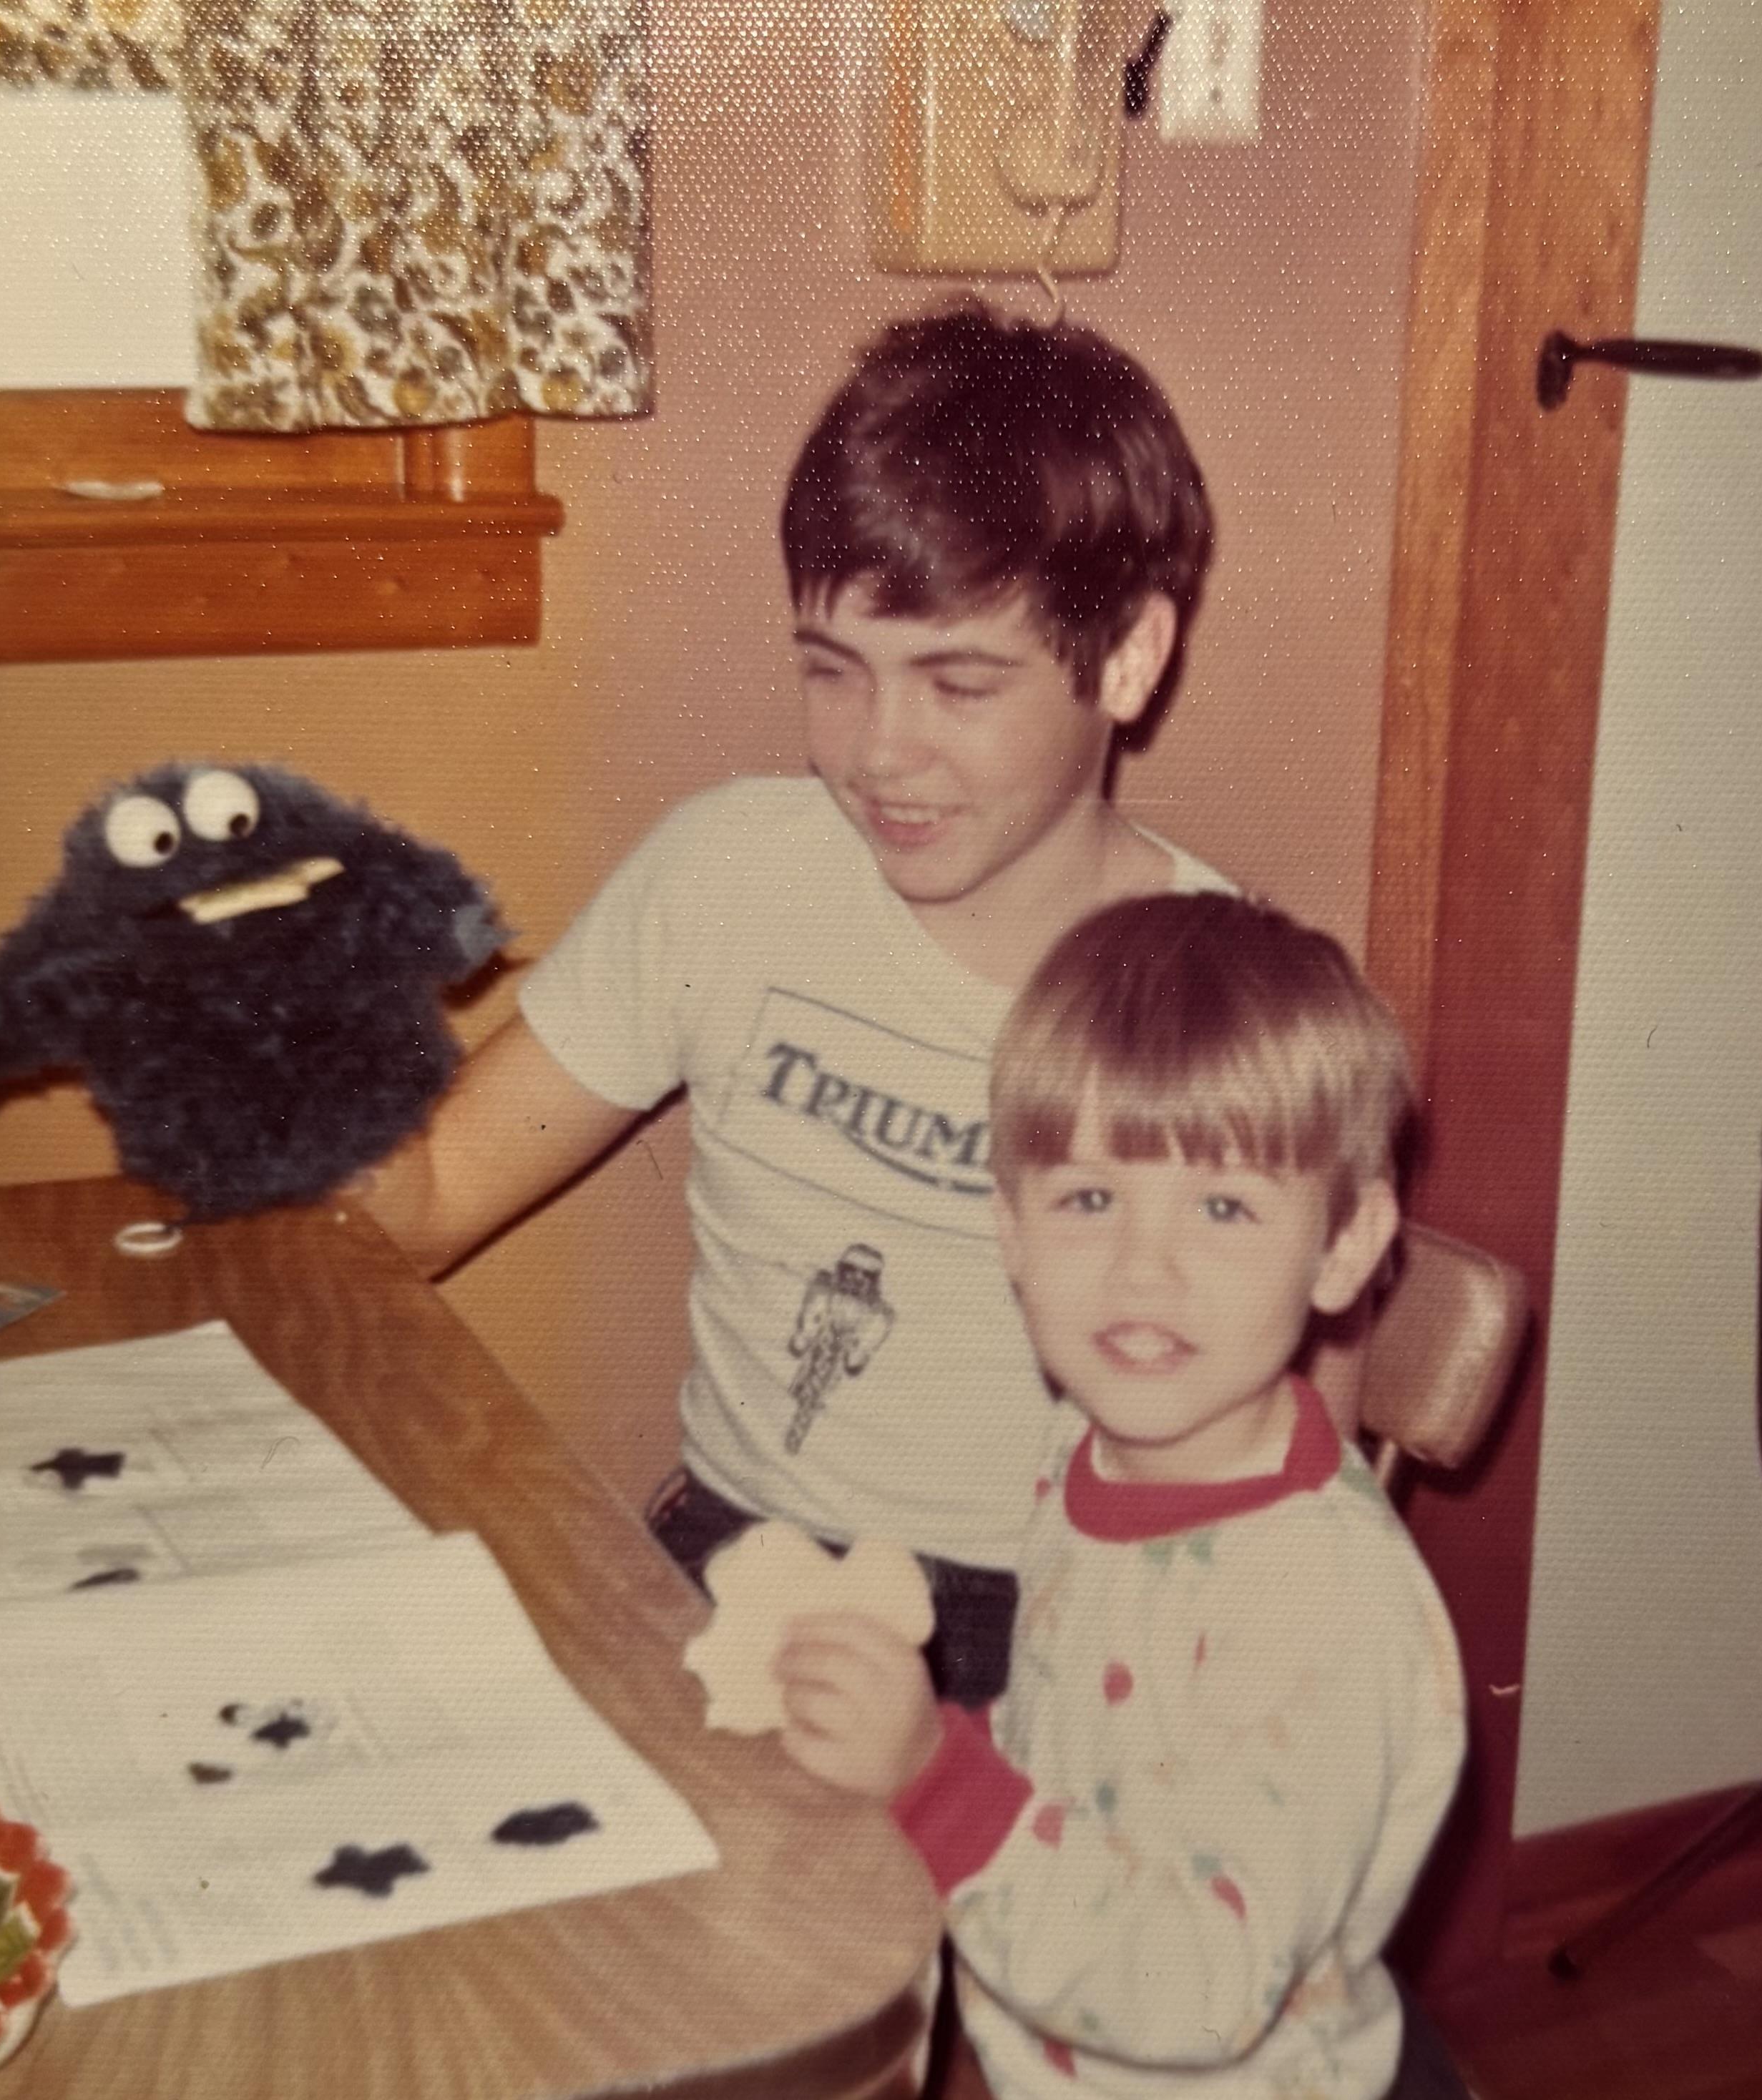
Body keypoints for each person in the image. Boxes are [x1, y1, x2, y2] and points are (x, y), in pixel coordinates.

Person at [358, 302, 1231, 1707]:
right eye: (832, 670)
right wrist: (261, 1060)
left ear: (1125, 658)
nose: (877, 752)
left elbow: (1266, 1494)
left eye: (957, 681)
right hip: (733, 1566)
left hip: (1054, 1628)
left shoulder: (1221, 1003)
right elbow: (434, 1187)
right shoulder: (728, 871)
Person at [772, 891, 1473, 2100]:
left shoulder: (1321, 1610)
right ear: (1012, 1233)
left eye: (1225, 1207)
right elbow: (1087, 1731)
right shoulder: (1085, 1445)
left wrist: (936, 1787)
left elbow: (1204, 1983)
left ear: (1346, 1248)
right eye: (1091, 1199)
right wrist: (933, 1743)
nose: (1145, 1269)